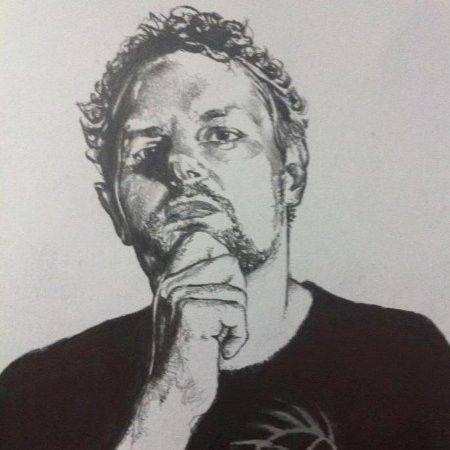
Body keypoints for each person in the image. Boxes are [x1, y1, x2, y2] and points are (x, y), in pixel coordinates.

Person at [1, 6, 449, 450]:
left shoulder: (405, 358)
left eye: (222, 135)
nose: (180, 165)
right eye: (146, 150)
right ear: (114, 209)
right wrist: (170, 401)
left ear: (290, 177)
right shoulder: (37, 392)